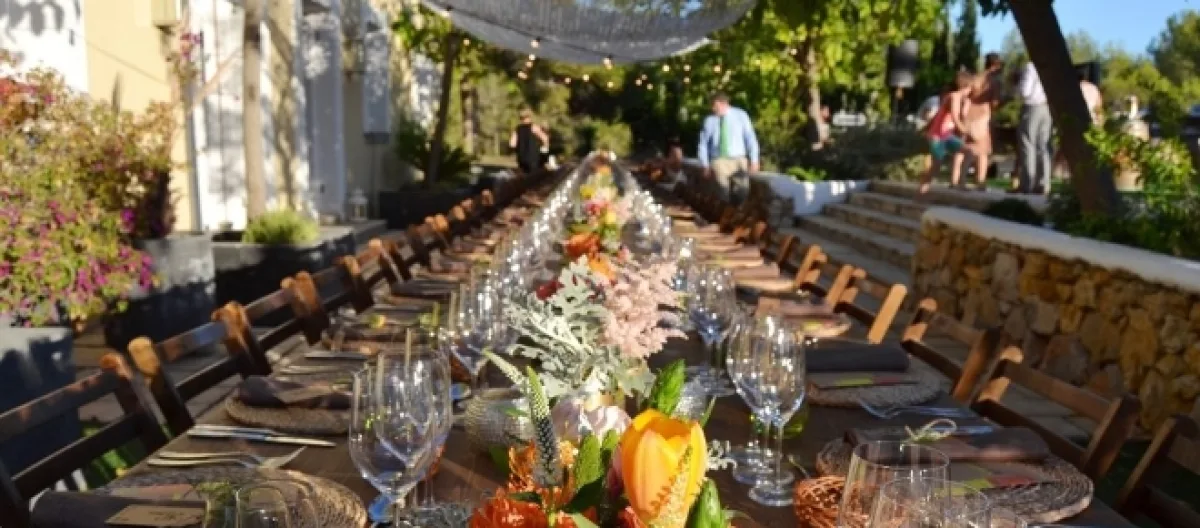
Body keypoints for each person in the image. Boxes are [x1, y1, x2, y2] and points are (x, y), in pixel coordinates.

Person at [697, 92, 760, 203]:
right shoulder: (709, 121)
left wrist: (754, 159)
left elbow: (750, 137)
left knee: (742, 190)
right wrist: (705, 165)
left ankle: (736, 210)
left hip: (739, 159)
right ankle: (725, 210)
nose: (713, 109)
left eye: (715, 106)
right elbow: (703, 144)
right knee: (722, 190)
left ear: (724, 104)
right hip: (719, 160)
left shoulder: (741, 116)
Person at [919, 71, 974, 195]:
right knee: (935, 167)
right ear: (965, 86)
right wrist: (965, 130)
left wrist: (966, 107)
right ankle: (921, 193)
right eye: (970, 88)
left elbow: (958, 116)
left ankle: (961, 183)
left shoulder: (960, 99)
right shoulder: (954, 97)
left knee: (968, 152)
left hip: (946, 136)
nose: (970, 91)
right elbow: (955, 117)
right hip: (937, 136)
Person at [957, 54, 1004, 189]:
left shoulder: (975, 78)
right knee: (983, 152)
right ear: (995, 65)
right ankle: (980, 182)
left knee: (968, 150)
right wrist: (1004, 101)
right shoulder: (994, 81)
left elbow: (965, 96)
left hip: (968, 116)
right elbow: (994, 103)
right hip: (982, 117)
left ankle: (961, 180)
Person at [1017, 61, 1051, 195]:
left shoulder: (1031, 66)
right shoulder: (1053, 67)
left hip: (1032, 106)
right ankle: (1043, 184)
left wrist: (1018, 84)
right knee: (1043, 146)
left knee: (1028, 144)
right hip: (1047, 107)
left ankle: (1028, 183)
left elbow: (1025, 91)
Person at [509, 107, 549, 174]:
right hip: (534, 159)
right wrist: (544, 152)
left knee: (525, 176)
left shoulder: (517, 129)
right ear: (530, 117)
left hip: (521, 159)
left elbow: (512, 144)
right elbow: (545, 139)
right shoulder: (534, 127)